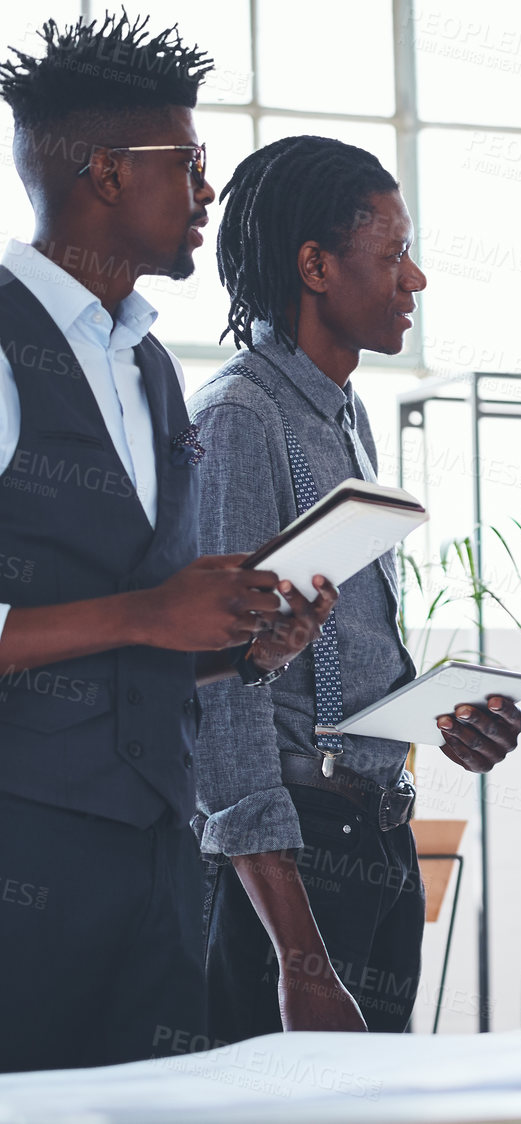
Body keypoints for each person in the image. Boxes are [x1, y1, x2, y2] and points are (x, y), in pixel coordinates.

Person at [0, 14, 336, 1070]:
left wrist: (239, 644)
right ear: (103, 171)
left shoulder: (150, 367)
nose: (207, 191)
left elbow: (132, 629)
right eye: (189, 163)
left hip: (156, 852)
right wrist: (151, 612)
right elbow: (125, 611)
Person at [191, 136, 521, 1036]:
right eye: (392, 255)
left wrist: (441, 717)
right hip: (295, 864)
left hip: (376, 837)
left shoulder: (344, 415)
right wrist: (300, 959)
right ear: (314, 266)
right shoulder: (237, 420)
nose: (413, 279)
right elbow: (223, 694)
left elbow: (321, 665)